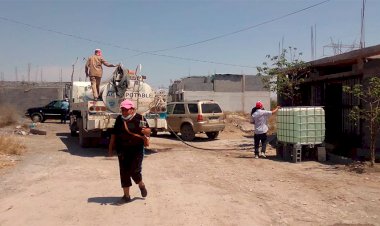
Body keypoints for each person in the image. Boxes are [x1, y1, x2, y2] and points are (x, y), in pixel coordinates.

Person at [108, 99, 151, 203]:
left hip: (136, 149)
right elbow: (114, 134)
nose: (124, 112)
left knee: (134, 171)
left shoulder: (139, 118)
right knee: (124, 172)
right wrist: (110, 148)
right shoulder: (119, 119)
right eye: (122, 110)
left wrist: (146, 131)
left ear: (132, 109)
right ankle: (126, 196)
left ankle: (141, 184)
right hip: (122, 149)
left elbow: (148, 131)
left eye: (126, 110)